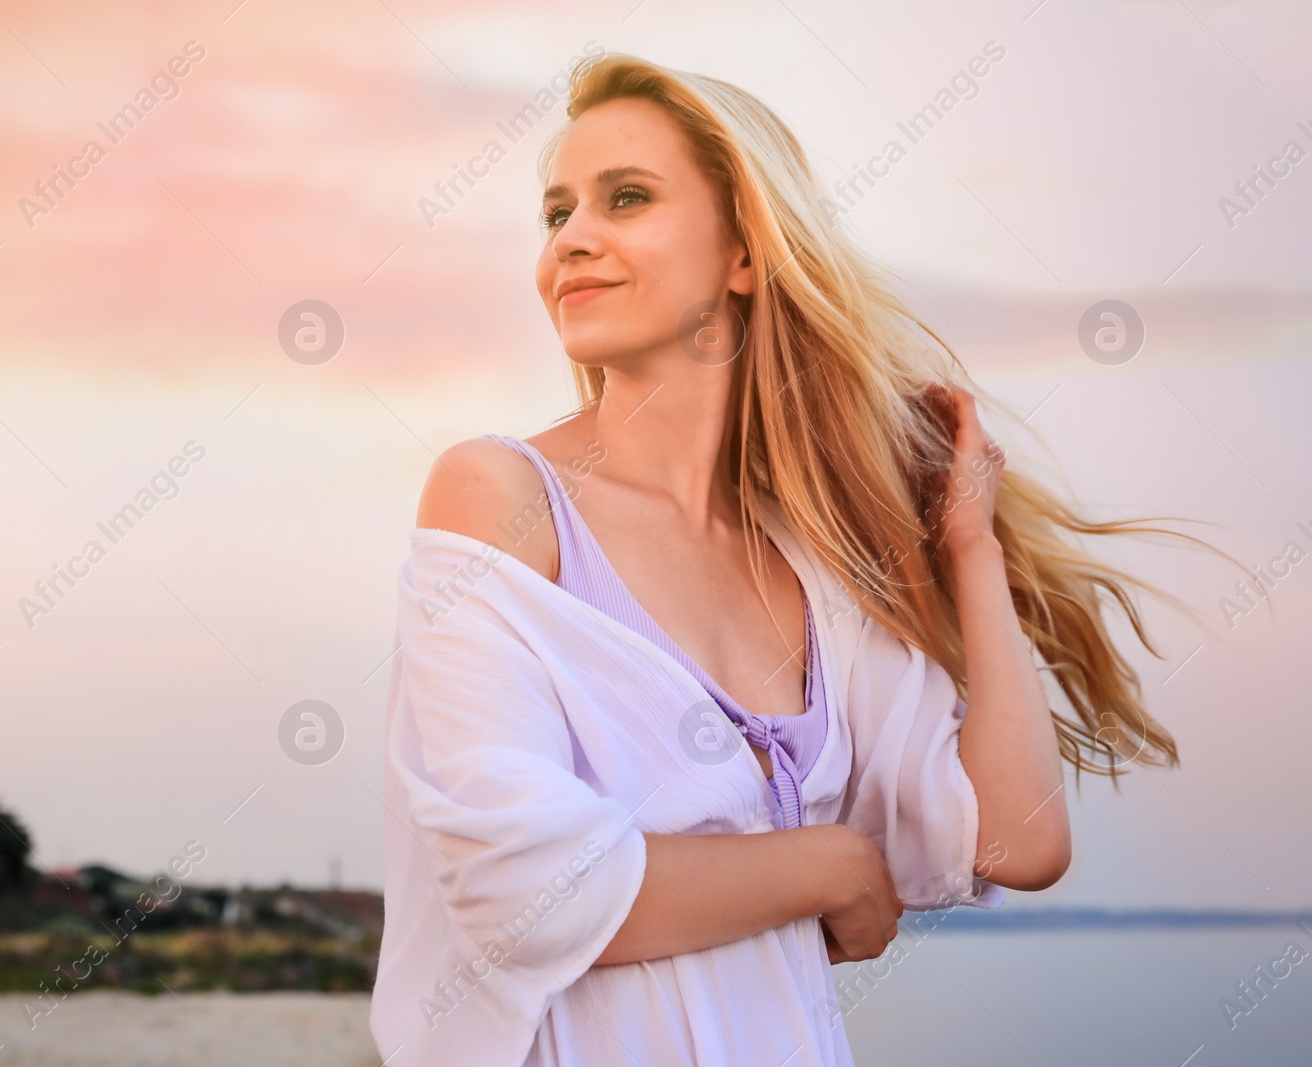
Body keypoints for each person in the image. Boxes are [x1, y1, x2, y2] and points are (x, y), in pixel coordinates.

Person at [371, 53, 1199, 1067]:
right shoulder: (500, 497)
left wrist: (970, 551)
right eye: (556, 213)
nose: (571, 240)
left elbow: (1015, 840)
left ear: (744, 254)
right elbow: (520, 892)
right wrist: (826, 862)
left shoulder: (812, 570)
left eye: (625, 198)